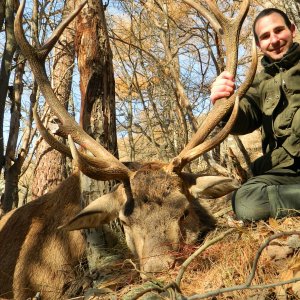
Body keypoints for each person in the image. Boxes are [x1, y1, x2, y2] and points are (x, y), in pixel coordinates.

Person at [210, 8, 300, 221]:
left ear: (293, 30)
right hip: (285, 171)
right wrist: (223, 102)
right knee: (244, 200)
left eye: (279, 30)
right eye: (266, 36)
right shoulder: (257, 83)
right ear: (259, 45)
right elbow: (244, 119)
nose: (274, 40)